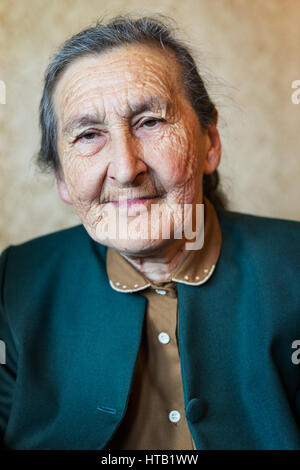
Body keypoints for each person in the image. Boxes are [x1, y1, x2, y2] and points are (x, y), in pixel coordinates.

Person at [0, 15, 299, 451]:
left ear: (209, 141)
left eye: (150, 122)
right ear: (62, 178)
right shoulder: (13, 284)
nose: (125, 168)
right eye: (88, 134)